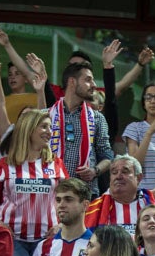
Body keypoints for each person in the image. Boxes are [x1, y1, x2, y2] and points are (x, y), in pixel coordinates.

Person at [0, 107, 66, 256]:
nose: (50, 132)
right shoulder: (5, 164)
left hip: (48, 239)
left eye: (50, 127)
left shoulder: (56, 164)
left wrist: (61, 225)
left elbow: (70, 200)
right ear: (29, 129)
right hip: (13, 240)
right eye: (44, 127)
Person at [48, 60, 115, 197]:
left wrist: (95, 171)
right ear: (72, 82)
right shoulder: (46, 116)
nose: (94, 85)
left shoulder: (97, 118)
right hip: (51, 191)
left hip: (86, 193)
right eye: (88, 80)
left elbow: (107, 155)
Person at [83, 154, 155, 235]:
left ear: (138, 178)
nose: (118, 176)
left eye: (125, 172)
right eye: (114, 172)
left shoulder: (154, 205)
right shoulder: (94, 208)